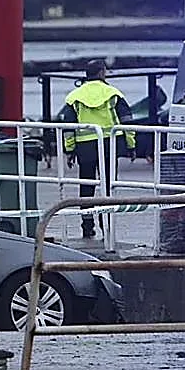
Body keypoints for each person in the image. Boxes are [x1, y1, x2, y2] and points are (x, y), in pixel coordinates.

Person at [57, 60, 137, 239]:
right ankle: (106, 226)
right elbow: (127, 121)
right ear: (102, 73)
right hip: (109, 144)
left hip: (85, 146)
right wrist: (131, 145)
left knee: (86, 188)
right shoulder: (113, 94)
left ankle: (87, 227)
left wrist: (69, 150)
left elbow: (68, 127)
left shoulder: (74, 97)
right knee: (108, 187)